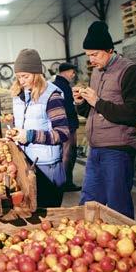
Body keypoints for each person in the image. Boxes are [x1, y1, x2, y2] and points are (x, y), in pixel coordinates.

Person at [73, 21, 136, 219]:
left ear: (110, 50)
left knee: (117, 205)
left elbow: (133, 113)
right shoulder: (96, 72)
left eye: (95, 54)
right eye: (88, 55)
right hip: (96, 149)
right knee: (88, 202)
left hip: (118, 150)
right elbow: (94, 111)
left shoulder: (130, 72)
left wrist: (97, 101)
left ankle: (124, 245)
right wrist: (81, 103)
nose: (91, 60)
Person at [6, 48, 69, 207]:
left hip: (47, 168)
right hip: (25, 163)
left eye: (25, 76)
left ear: (37, 73)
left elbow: (62, 134)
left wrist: (30, 136)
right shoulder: (19, 96)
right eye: (19, 76)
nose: (21, 81)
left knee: (48, 214)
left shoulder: (51, 96)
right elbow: (21, 126)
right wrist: (14, 134)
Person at [53, 62, 81, 192]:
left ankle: (62, 181)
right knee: (68, 154)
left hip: (62, 125)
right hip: (68, 126)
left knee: (63, 154)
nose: (73, 75)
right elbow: (68, 108)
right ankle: (66, 183)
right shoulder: (63, 86)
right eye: (72, 72)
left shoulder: (55, 85)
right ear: (66, 71)